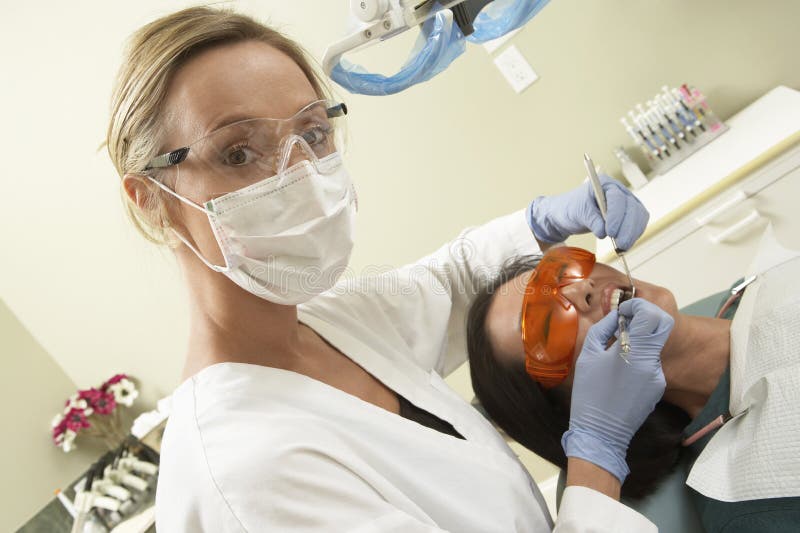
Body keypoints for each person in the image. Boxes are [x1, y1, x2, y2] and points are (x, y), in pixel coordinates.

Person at [107, 6, 665, 531]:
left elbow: (450, 281)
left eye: (313, 133)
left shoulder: (327, 324)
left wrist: (541, 222)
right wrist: (597, 454)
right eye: (236, 153)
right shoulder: (244, 475)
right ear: (152, 201)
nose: (300, 174)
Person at [467, 245, 800, 532]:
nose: (581, 288)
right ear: (573, 404)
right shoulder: (750, 497)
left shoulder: (769, 274)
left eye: (561, 271)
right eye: (546, 325)